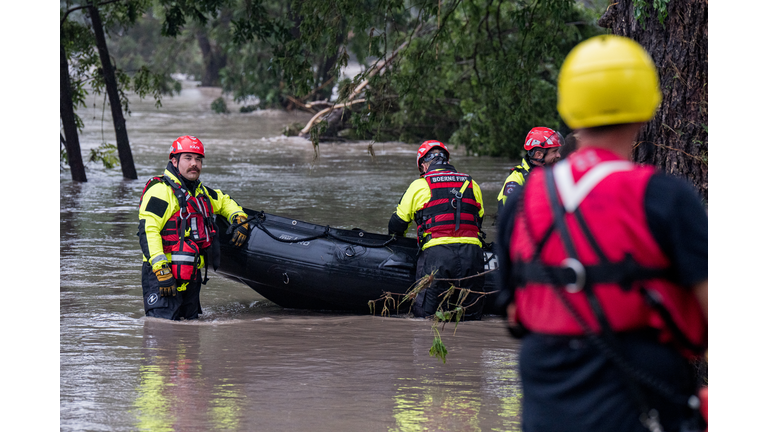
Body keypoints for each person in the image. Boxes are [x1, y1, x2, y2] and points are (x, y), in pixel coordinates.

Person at [495, 35, 708, 432]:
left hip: (547, 413)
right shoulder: (667, 198)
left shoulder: (520, 203)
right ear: (647, 108)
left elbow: (513, 313)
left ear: (569, 111)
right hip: (645, 407)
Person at [137, 135, 251, 320]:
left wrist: (239, 218)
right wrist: (161, 269)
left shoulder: (200, 192)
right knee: (161, 330)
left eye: (198, 159)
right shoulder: (160, 191)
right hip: (162, 274)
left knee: (189, 332)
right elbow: (148, 231)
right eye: (188, 158)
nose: (194, 164)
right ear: (174, 161)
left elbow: (224, 201)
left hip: (190, 274)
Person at [388, 140, 486, 320]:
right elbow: (478, 219)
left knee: (427, 318)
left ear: (423, 165)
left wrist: (398, 248)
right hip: (472, 256)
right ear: (447, 161)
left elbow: (397, 224)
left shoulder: (420, 185)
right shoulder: (472, 183)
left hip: (438, 257)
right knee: (470, 317)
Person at [497, 127, 563, 211]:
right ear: (539, 155)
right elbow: (509, 214)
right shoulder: (516, 180)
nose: (558, 155)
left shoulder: (556, 173)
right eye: (554, 151)